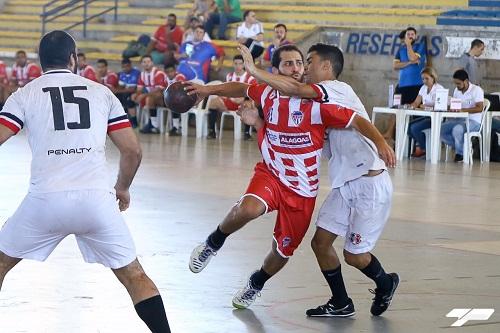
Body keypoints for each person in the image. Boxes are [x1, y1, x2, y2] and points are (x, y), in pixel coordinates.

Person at [184, 44, 395, 309]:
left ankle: (257, 283)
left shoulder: (324, 98)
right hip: (276, 175)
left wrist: (382, 142)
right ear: (277, 70)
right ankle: (213, 243)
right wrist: (207, 90)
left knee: (286, 251)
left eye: (302, 63)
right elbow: (241, 89)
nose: (298, 68)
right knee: (252, 210)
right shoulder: (270, 94)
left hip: (311, 189)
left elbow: (353, 119)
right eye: (289, 64)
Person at [0, 30, 170, 333]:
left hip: (44, 202)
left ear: (40, 63)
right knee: (134, 275)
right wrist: (122, 188)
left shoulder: (24, 94)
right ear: (73, 59)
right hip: (96, 202)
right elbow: (132, 150)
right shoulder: (101, 92)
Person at [387, 27, 426, 139]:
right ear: (404, 37)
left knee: (414, 111)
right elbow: (395, 66)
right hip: (402, 85)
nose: (410, 36)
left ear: (416, 36)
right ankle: (389, 133)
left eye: (412, 34)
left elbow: (413, 56)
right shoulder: (400, 50)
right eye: (408, 34)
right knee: (395, 108)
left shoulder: (420, 47)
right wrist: (410, 63)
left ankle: (413, 140)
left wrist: (409, 46)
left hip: (416, 86)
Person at [206, 54, 256, 139]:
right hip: (231, 101)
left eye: (240, 63)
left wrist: (244, 98)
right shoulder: (229, 76)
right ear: (233, 64)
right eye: (235, 63)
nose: (237, 66)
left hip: (243, 103)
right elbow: (226, 91)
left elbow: (252, 93)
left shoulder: (250, 78)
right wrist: (226, 97)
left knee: (248, 104)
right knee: (213, 103)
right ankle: (212, 132)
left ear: (244, 64)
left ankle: (247, 133)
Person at [441, 69, 484, 162]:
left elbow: (480, 108)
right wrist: (450, 107)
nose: (457, 86)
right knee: (439, 130)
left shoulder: (477, 90)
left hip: (474, 121)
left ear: (466, 81)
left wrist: (463, 110)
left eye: (458, 83)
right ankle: (465, 149)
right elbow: (455, 104)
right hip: (459, 119)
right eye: (455, 84)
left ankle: (460, 154)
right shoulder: (457, 90)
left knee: (457, 130)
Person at [407, 67, 444, 158]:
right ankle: (422, 146)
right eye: (423, 79)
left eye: (427, 78)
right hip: (426, 116)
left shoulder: (439, 88)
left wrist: (424, 106)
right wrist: (410, 106)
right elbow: (416, 102)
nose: (424, 81)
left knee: (415, 128)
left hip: (435, 119)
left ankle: (423, 148)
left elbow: (440, 105)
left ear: (433, 77)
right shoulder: (423, 88)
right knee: (408, 126)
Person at [133, 55, 167, 134]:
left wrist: (143, 95)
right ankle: (150, 123)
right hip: (152, 98)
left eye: (148, 62)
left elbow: (159, 90)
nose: (146, 64)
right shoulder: (142, 74)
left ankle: (153, 125)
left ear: (152, 63)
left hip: (165, 99)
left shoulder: (158, 73)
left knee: (149, 98)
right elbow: (139, 89)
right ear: (141, 64)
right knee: (132, 97)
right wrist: (136, 94)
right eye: (144, 62)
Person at [116, 58, 141, 128]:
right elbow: (121, 86)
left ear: (130, 65)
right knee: (116, 97)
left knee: (128, 98)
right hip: (126, 92)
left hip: (136, 93)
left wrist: (118, 90)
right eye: (123, 67)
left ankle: (134, 121)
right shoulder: (122, 74)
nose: (125, 68)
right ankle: (121, 119)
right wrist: (116, 90)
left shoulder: (136, 73)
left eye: (127, 66)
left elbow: (132, 89)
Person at [164, 62, 187, 136]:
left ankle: (176, 126)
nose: (170, 73)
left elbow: (180, 89)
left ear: (175, 70)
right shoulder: (165, 79)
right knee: (171, 101)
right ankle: (176, 126)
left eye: (171, 71)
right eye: (168, 72)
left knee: (174, 101)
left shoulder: (180, 77)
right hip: (174, 99)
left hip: (185, 98)